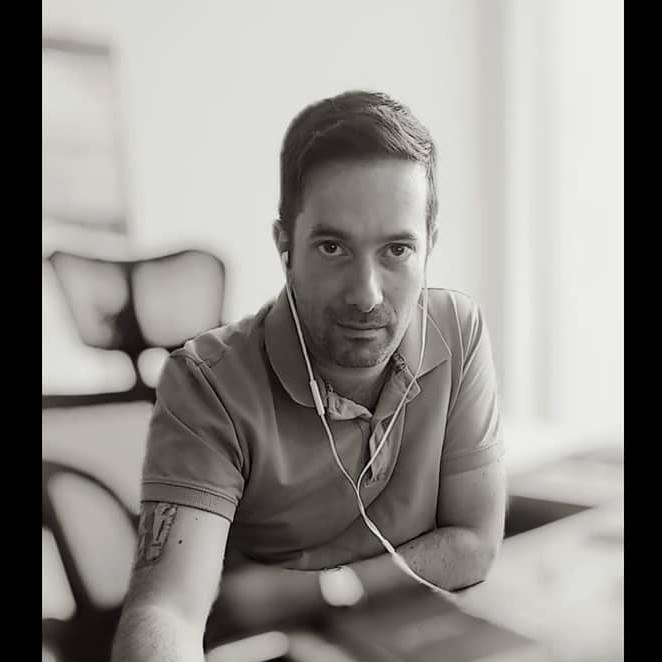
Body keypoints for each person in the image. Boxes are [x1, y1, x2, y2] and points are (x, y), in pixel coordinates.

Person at [112, 90, 507, 662]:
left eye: (397, 250)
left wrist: (326, 587)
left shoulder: (458, 329)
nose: (367, 296)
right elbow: (167, 609)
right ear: (285, 247)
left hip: (408, 635)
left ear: (430, 248)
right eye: (332, 247)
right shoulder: (207, 382)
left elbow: (474, 546)